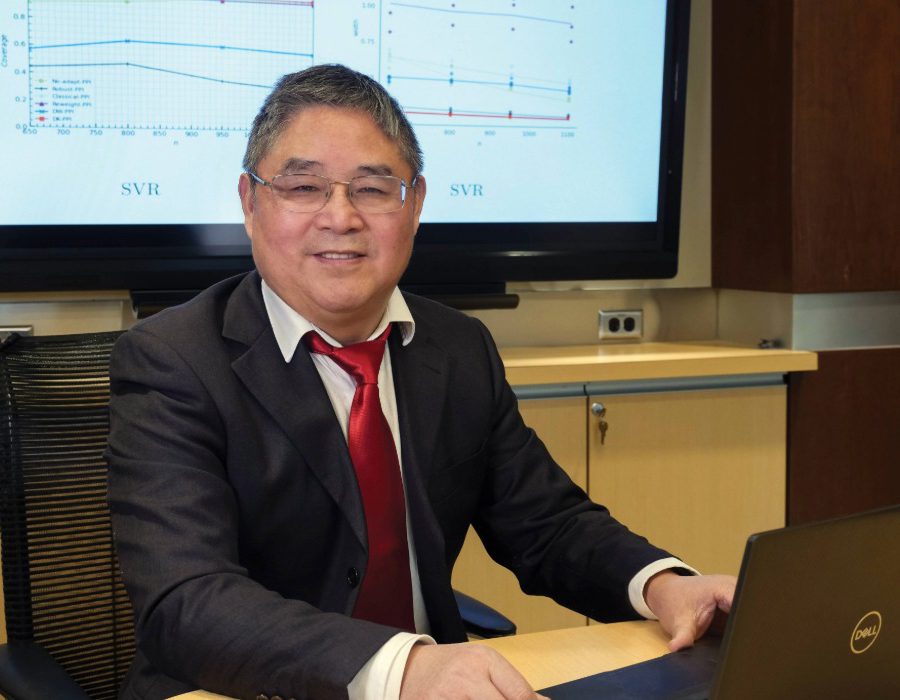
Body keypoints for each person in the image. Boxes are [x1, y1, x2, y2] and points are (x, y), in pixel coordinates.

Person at [106, 64, 735, 700]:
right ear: (250, 201)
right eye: (304, 187)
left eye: (374, 190)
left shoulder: (458, 348)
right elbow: (187, 601)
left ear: (416, 205)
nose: (341, 217)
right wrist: (399, 665)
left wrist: (663, 585)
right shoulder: (173, 361)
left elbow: (548, 524)